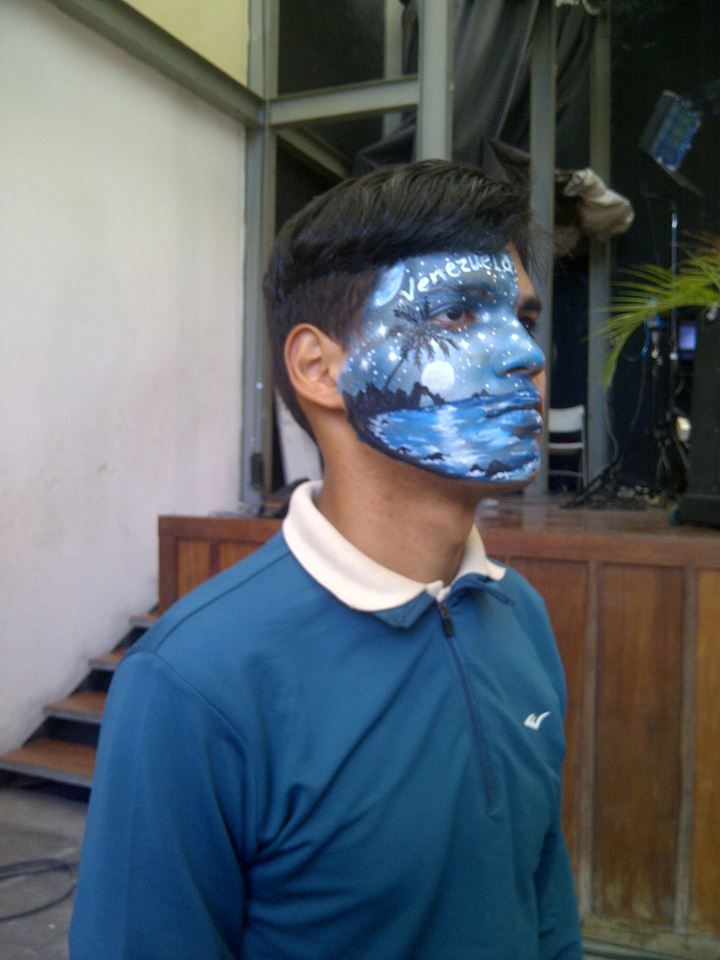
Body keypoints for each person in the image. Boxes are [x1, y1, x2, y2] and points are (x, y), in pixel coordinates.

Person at [70, 160, 582, 960]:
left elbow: (543, 902)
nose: (525, 354)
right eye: (456, 313)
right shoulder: (195, 680)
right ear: (319, 368)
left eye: (523, 316)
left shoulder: (521, 618)